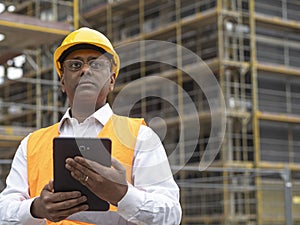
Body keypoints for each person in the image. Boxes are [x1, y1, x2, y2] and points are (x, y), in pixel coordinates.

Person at [0, 27, 182, 225]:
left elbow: (170, 215)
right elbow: (3, 213)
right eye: (75, 65)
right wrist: (36, 208)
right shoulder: (32, 144)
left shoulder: (140, 136)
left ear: (111, 80)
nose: (85, 70)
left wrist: (123, 195)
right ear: (62, 81)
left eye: (96, 64)